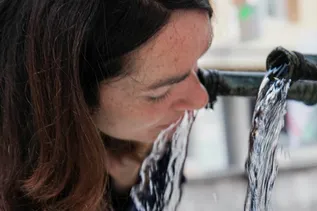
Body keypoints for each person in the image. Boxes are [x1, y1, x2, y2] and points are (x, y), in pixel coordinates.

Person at [0, 0, 213, 210]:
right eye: (160, 93)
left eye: (196, 64)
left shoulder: (146, 142)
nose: (200, 99)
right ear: (73, 97)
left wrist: (127, 182)